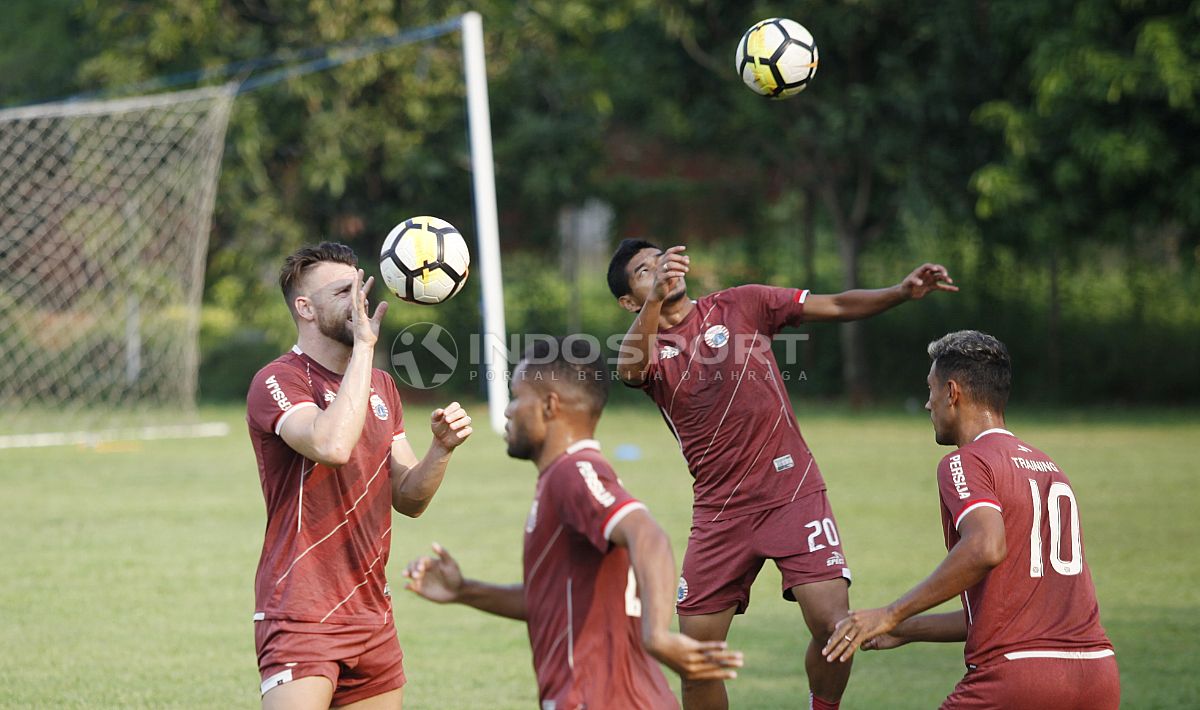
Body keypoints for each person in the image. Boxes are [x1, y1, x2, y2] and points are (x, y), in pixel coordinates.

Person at [606, 239, 958, 710]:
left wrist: (900, 291)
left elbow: (833, 304)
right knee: (696, 659)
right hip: (720, 512)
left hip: (793, 493)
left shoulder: (741, 304)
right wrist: (653, 303)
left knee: (834, 627)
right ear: (630, 301)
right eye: (644, 272)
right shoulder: (647, 346)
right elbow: (628, 369)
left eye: (661, 260)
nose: (661, 271)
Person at [403, 337, 744, 709]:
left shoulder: (574, 473)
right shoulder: (562, 478)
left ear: (550, 405)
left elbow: (647, 533)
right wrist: (465, 590)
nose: (508, 411)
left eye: (517, 397)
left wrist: (658, 635)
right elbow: (554, 602)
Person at [822, 330, 1119, 708]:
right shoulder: (1048, 467)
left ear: (952, 392)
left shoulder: (966, 461)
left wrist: (890, 612)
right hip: (1097, 676)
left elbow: (984, 547)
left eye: (930, 389)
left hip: (1018, 678)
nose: (928, 405)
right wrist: (903, 628)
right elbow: (1005, 611)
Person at [245, 242, 473, 709]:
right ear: (304, 308)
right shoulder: (279, 379)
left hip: (372, 614)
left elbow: (409, 498)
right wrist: (366, 348)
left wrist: (441, 450)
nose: (360, 300)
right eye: (344, 290)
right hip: (300, 610)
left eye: (362, 287)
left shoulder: (382, 385)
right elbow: (331, 445)